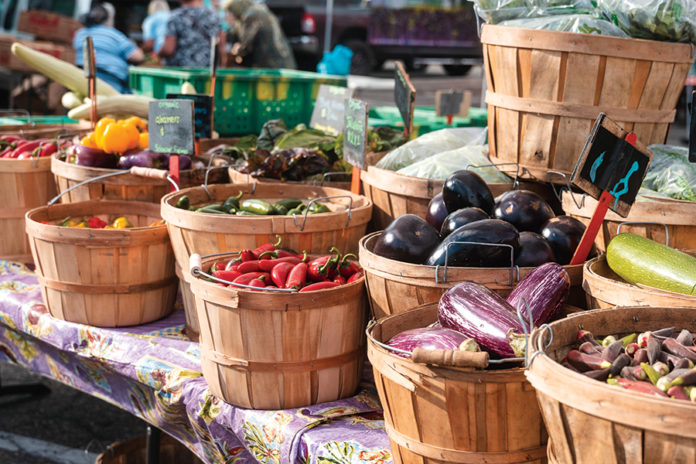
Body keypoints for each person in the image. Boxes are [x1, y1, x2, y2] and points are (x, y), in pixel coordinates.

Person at [73, 3, 144, 94]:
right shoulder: (113, 34)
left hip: (82, 80)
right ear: (108, 19)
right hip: (110, 82)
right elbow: (138, 56)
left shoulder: (80, 34)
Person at [223, 0, 296, 69]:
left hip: (272, 66)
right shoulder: (258, 11)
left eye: (229, 12)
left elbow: (247, 44)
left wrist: (238, 52)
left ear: (234, 10)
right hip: (282, 63)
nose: (227, 16)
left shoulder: (251, 16)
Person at [158, 0, 226, 68]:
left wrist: (158, 53)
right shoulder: (214, 15)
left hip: (182, 72)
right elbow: (221, 46)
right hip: (207, 71)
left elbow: (168, 50)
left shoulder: (176, 16)